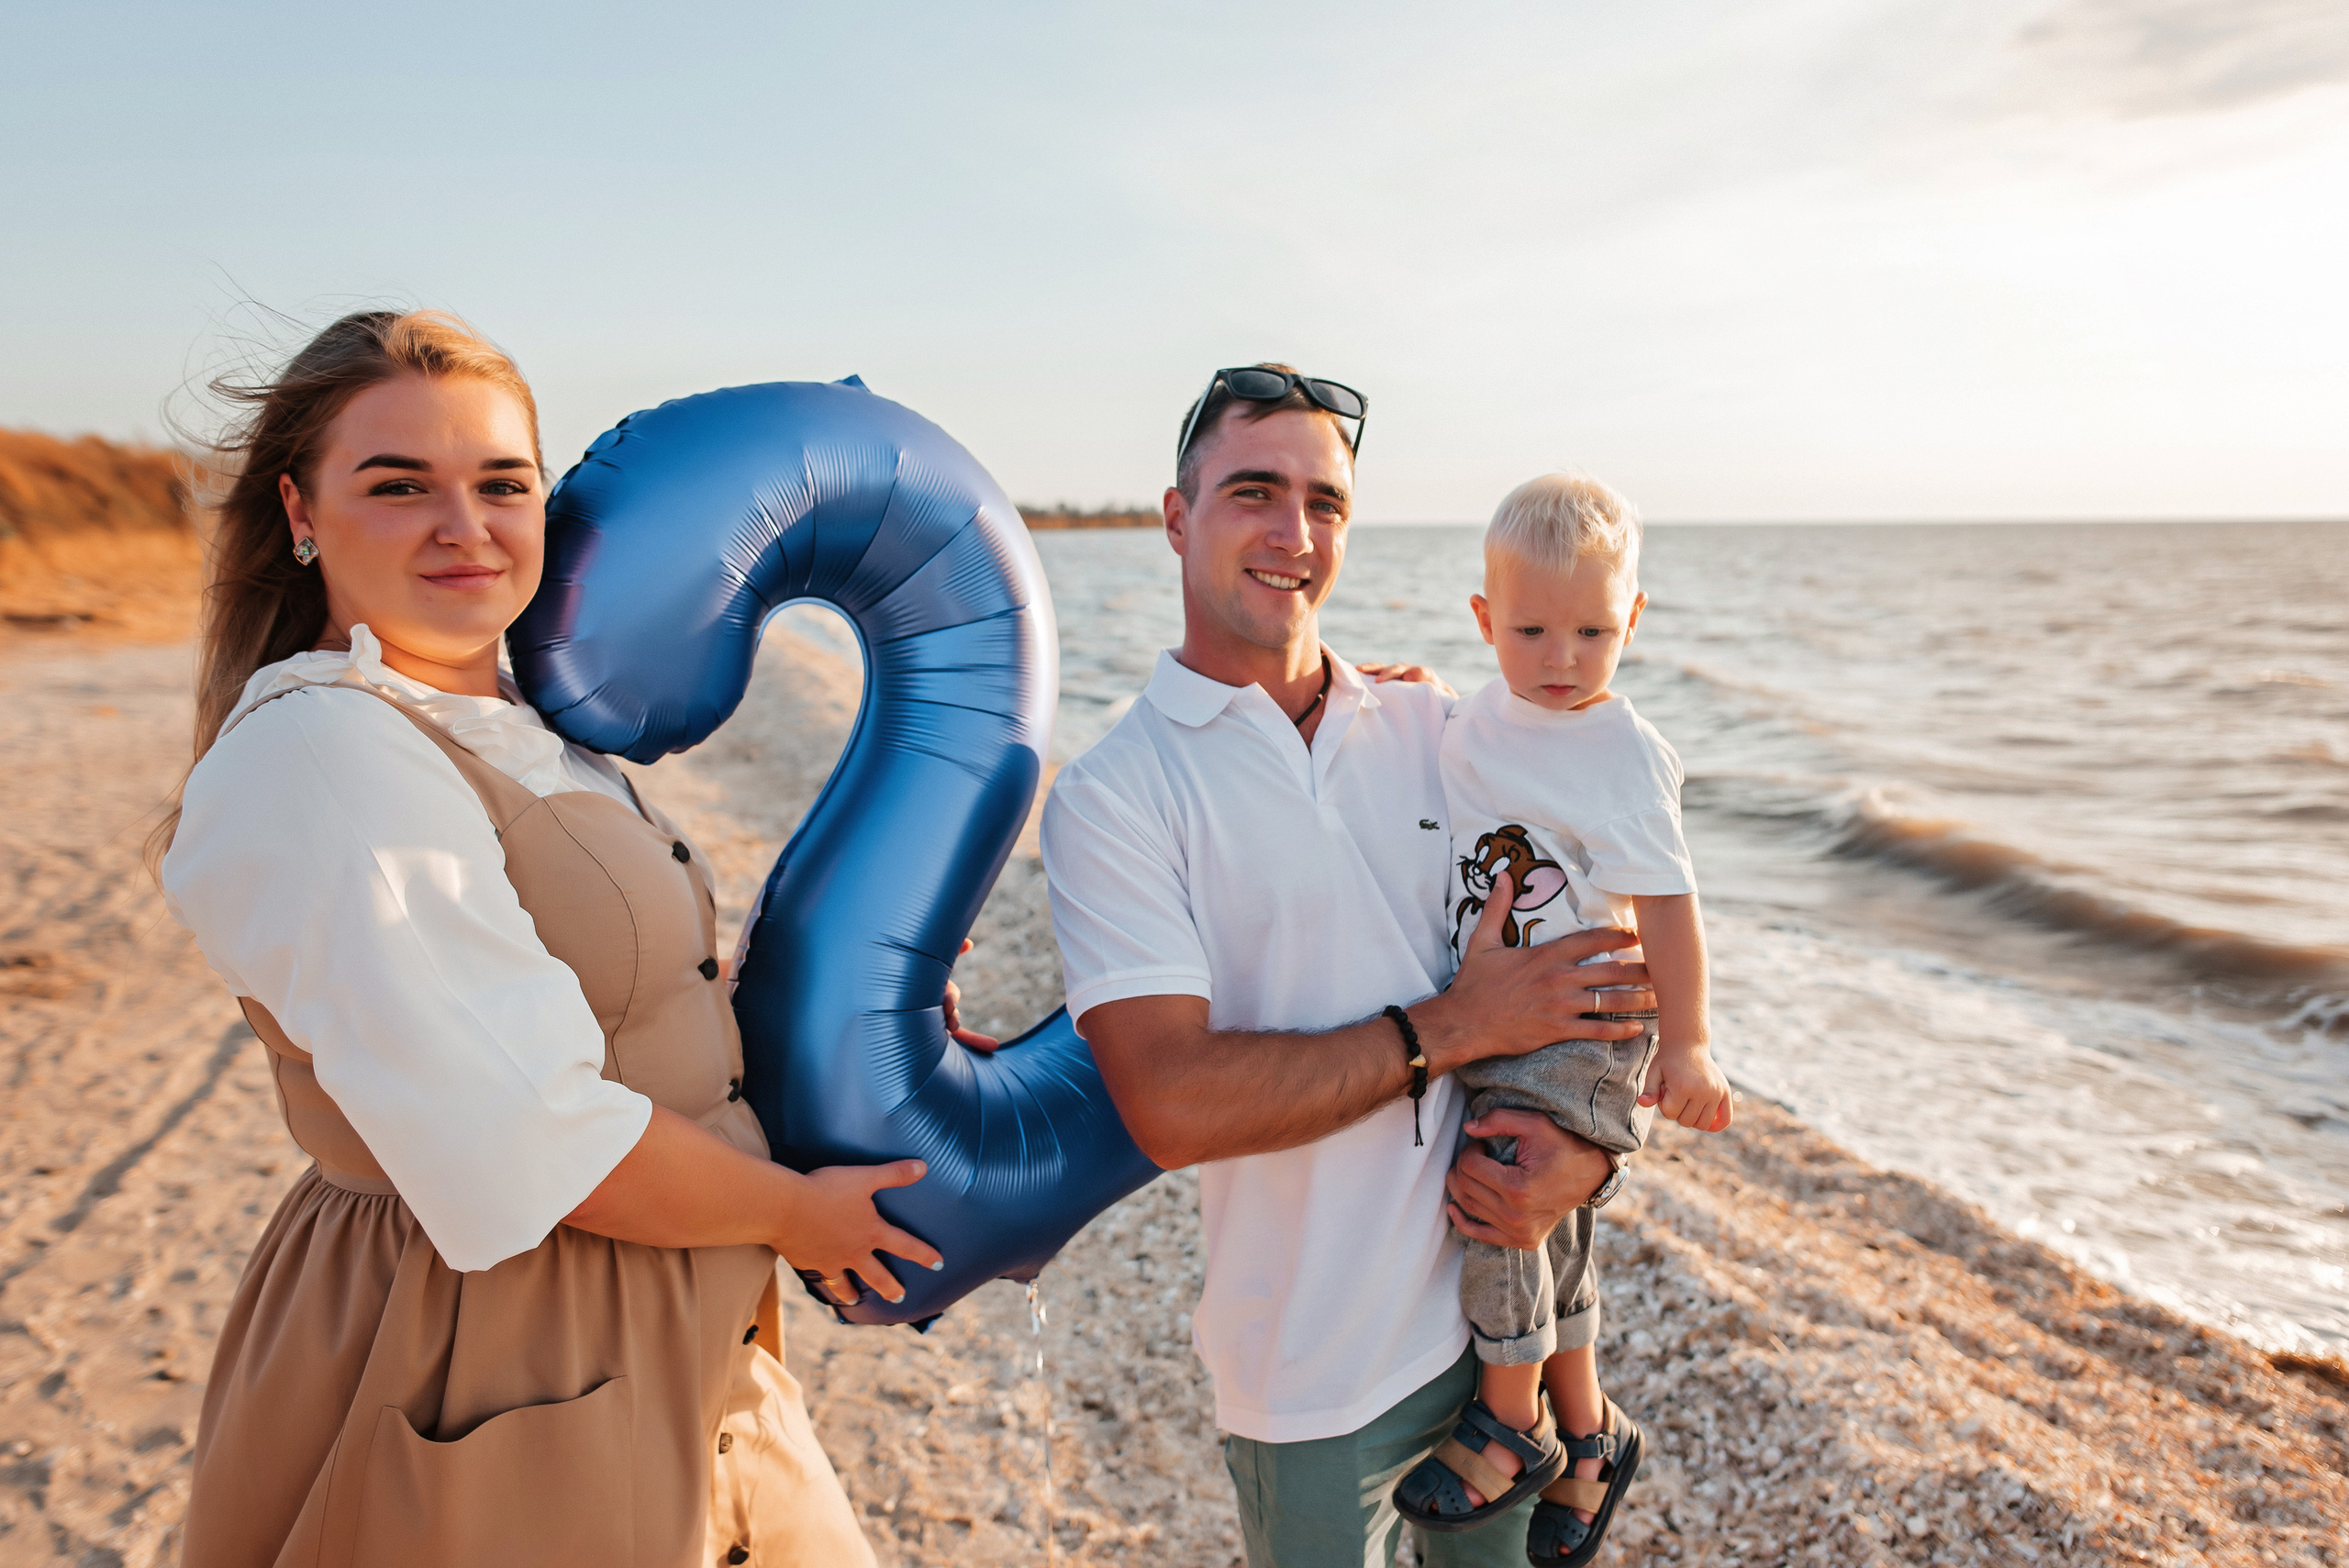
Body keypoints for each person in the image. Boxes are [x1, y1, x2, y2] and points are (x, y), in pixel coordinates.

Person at [156, 309, 927, 1567]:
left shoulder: (529, 723)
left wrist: (863, 1036)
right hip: (490, 1333)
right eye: (398, 486)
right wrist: (798, 1214)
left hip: (681, 1308)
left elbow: (613, 1004)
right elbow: (526, 1136)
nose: (464, 525)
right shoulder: (323, 750)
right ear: (301, 513)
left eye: (501, 483)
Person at [1039, 365, 1657, 1567]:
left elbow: (1621, 927)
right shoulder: (1118, 794)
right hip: (1307, 1376)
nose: (1294, 533)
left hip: (1497, 1356)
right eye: (1254, 492)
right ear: (1178, 517)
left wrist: (1584, 1155)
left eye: (1324, 502)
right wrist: (1449, 1028)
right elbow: (1170, 1101)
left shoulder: (1444, 731)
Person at [1390, 472, 1731, 1562]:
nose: (1560, 657)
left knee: (1498, 1189)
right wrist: (1409, 691)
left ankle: (1511, 1418)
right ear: (1487, 620)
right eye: (1530, 628)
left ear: (1632, 619)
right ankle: (1591, 1435)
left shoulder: (1618, 752)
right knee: (1558, 1233)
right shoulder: (1485, 713)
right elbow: (1462, 736)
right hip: (1508, 1020)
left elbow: (1672, 910)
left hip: (1586, 1024)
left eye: (1591, 629)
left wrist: (1686, 1043)